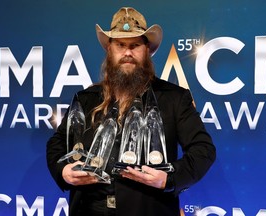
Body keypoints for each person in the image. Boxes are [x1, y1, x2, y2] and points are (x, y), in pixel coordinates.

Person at [47, 6, 216, 216]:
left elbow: (203, 150)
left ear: (147, 50)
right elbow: (57, 143)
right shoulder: (86, 98)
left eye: (135, 45)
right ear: (110, 50)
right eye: (120, 45)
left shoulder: (174, 98)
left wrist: (169, 179)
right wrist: (62, 172)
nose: (127, 52)